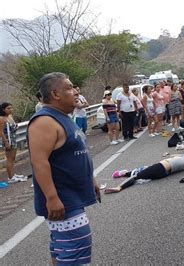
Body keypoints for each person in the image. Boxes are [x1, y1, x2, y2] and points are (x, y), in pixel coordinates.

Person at [27, 72, 100, 265]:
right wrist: (52, 198)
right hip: (63, 200)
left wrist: (91, 180)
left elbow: (77, 151)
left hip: (71, 196)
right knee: (75, 251)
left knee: (62, 249)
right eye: (69, 87)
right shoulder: (45, 121)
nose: (76, 91)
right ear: (55, 94)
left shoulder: (64, 117)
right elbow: (39, 162)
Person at [104, 154, 184, 194]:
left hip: (161, 167)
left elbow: (172, 155)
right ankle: (125, 173)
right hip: (164, 173)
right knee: (143, 173)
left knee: (137, 176)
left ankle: (120, 186)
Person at [0, 102, 25, 183]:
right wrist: (6, 142)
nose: (10, 110)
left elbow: (13, 128)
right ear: (3, 109)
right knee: (9, 159)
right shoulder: (1, 118)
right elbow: (0, 132)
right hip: (8, 140)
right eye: (8, 108)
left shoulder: (10, 117)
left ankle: (12, 174)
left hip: (13, 139)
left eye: (11, 108)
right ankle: (10, 178)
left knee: (13, 158)